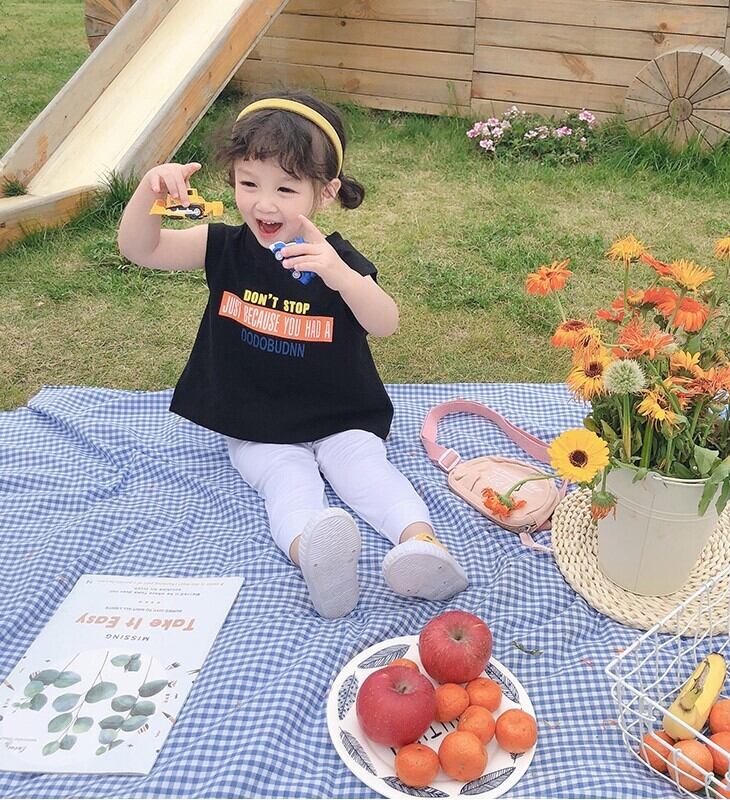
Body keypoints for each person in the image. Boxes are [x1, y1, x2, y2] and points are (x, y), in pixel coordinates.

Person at [117, 90, 468, 618]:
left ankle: (422, 546)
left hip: (340, 412)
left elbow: (386, 323)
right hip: (255, 420)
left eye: (285, 188)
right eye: (248, 184)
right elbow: (140, 249)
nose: (264, 204)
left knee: (367, 472)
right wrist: (150, 190)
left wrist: (341, 276)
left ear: (324, 193)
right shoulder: (221, 245)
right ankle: (316, 559)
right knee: (287, 484)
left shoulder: (334, 259)